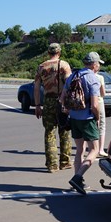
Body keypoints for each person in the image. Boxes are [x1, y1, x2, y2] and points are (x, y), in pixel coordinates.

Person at [61, 51, 102, 195]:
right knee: (94, 149)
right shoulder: (93, 78)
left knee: (79, 150)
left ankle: (77, 180)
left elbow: (62, 98)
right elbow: (95, 105)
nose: (99, 67)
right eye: (98, 64)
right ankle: (78, 177)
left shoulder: (73, 75)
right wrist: (97, 118)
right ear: (94, 64)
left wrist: (70, 112)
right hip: (87, 119)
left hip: (74, 118)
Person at [34, 43, 72, 173]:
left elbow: (36, 87)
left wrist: (38, 105)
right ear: (59, 52)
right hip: (62, 100)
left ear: (48, 53)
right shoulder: (64, 65)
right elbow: (69, 84)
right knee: (64, 131)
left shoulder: (41, 67)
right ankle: (65, 162)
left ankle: (52, 165)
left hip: (48, 101)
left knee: (49, 132)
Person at [93, 63, 107, 157]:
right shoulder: (100, 77)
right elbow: (103, 93)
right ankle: (100, 149)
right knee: (101, 125)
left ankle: (92, 148)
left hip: (88, 103)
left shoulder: (84, 76)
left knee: (91, 124)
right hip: (99, 101)